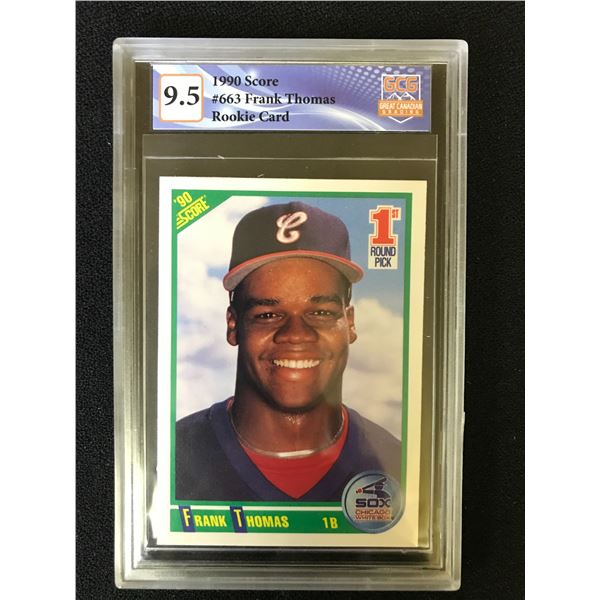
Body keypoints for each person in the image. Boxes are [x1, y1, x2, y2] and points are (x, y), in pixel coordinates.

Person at [176, 201, 401, 501]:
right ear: (233, 325)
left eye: (321, 313)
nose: (296, 334)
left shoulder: (397, 465)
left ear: (349, 323)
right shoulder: (170, 460)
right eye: (268, 315)